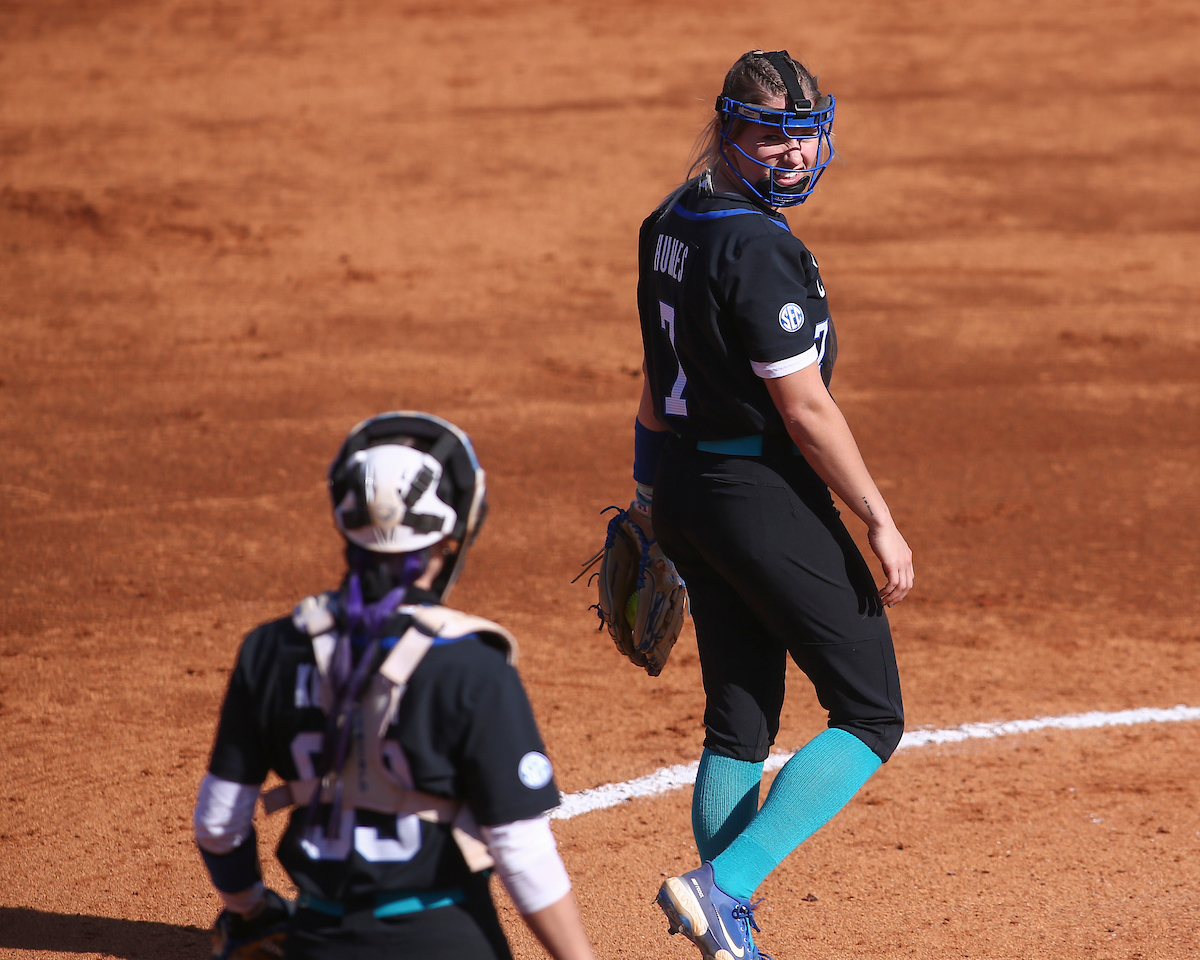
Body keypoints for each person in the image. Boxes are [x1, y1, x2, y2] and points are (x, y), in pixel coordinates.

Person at [630, 50, 913, 960]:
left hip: (686, 485)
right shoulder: (757, 246)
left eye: (806, 138)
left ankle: (725, 928)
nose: (792, 159)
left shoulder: (671, 219)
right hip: (753, 493)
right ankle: (724, 889)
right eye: (770, 138)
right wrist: (875, 514)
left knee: (740, 718)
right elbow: (804, 409)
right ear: (726, 128)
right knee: (871, 714)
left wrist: (646, 499)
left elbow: (652, 381)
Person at [193, 412, 597, 960]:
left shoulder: (269, 650)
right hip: (448, 938)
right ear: (451, 536)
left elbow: (219, 824)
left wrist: (249, 910)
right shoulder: (473, 667)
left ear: (344, 522)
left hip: (319, 939)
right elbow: (520, 851)